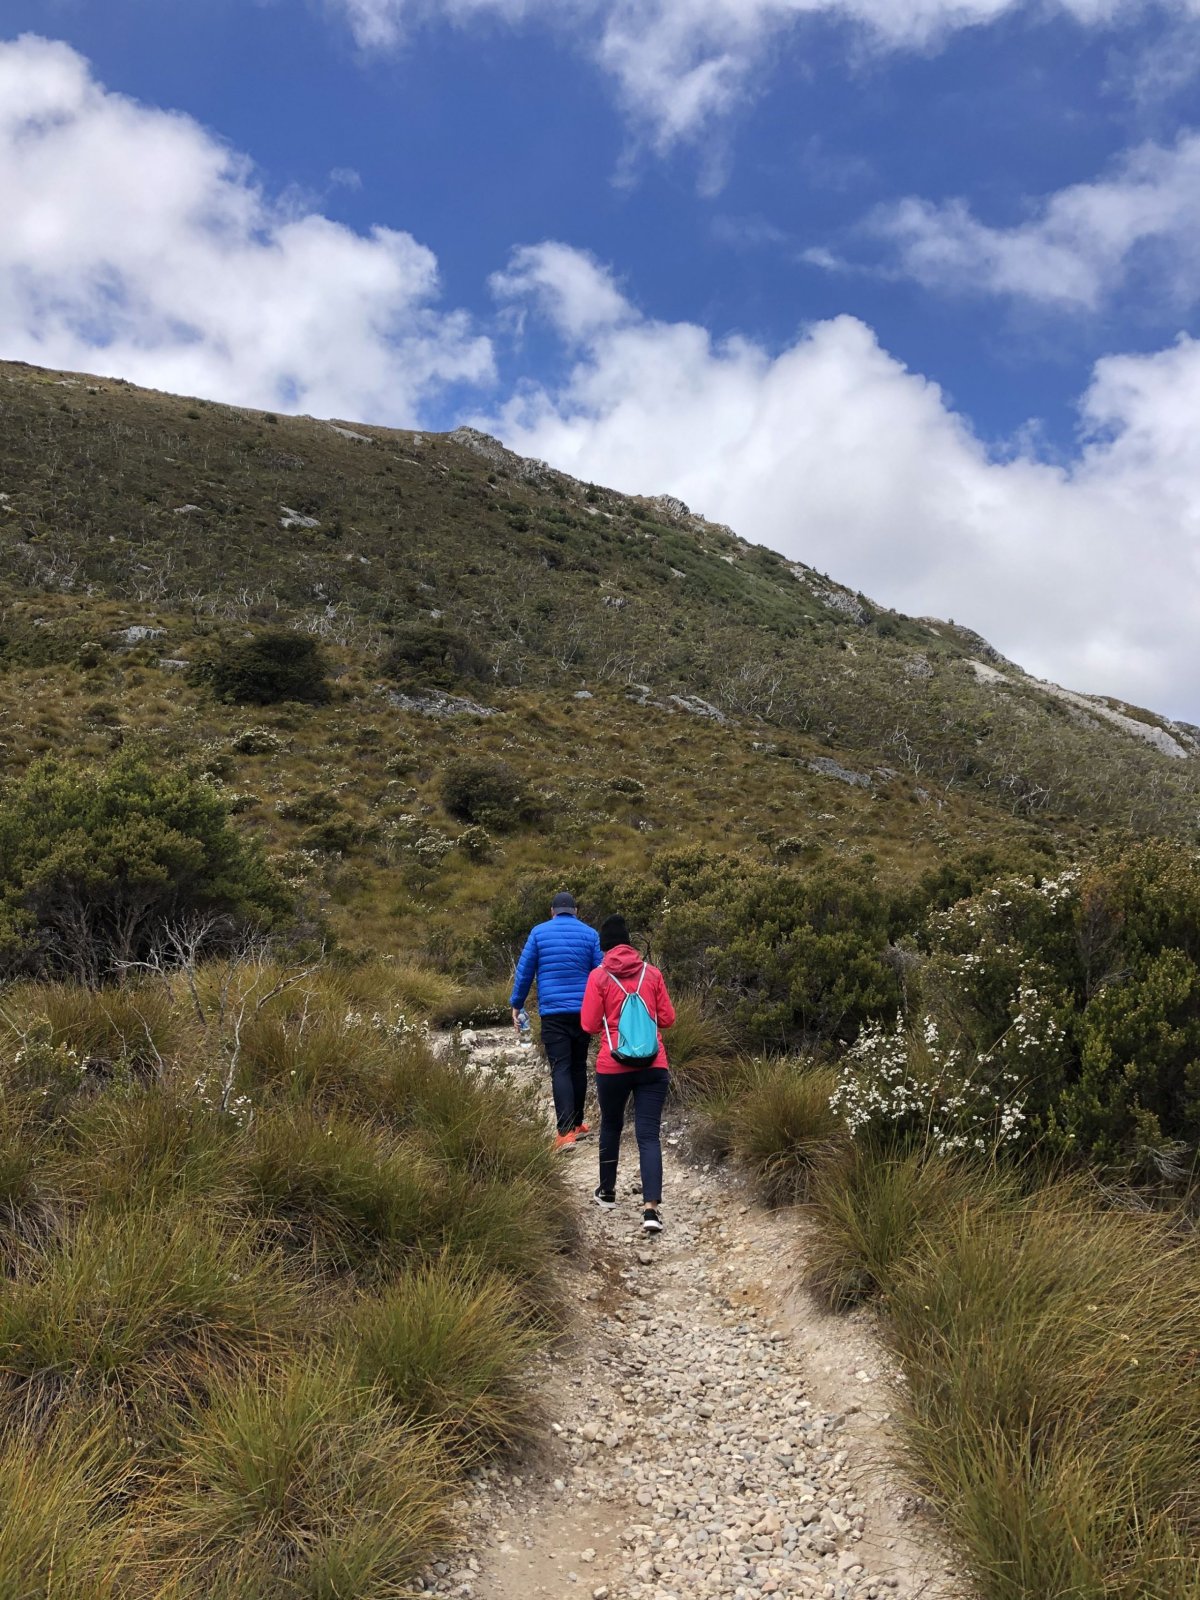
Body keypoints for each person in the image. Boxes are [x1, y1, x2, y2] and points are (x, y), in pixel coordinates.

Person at [579, 913, 676, 1233]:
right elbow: (667, 1019)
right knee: (648, 1135)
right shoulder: (652, 974)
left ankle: (607, 1192)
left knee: (611, 1126)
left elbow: (590, 1025)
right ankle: (651, 1211)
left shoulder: (598, 976)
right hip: (653, 1065)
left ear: (605, 946)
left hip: (613, 1066)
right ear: (630, 943)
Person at [510, 891, 603, 1152]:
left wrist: (516, 1004)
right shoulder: (590, 934)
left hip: (553, 1013)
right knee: (577, 1065)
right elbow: (600, 973)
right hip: (583, 1012)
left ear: (552, 911)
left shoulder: (538, 933)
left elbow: (525, 971)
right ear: (576, 911)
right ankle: (577, 1124)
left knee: (560, 1067)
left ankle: (564, 1134)